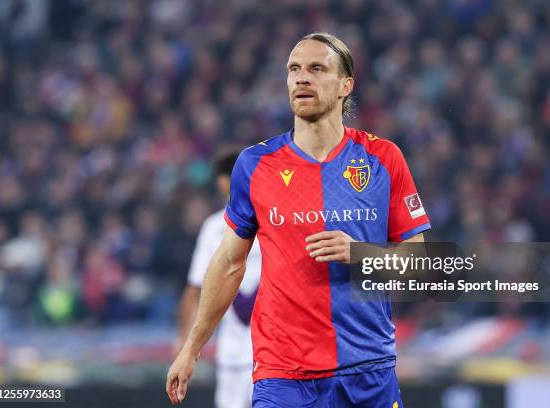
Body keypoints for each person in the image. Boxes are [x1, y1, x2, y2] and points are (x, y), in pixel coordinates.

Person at [167, 32, 431, 407]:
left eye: (316, 68)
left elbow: (418, 262)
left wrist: (359, 253)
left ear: (345, 85)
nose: (301, 78)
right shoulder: (255, 165)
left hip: (368, 370)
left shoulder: (382, 159)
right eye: (294, 69)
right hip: (285, 374)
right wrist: (191, 348)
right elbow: (229, 264)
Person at [174, 149, 261, 408]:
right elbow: (195, 289)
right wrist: (185, 343)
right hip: (232, 354)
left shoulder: (274, 221)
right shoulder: (214, 228)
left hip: (271, 352)